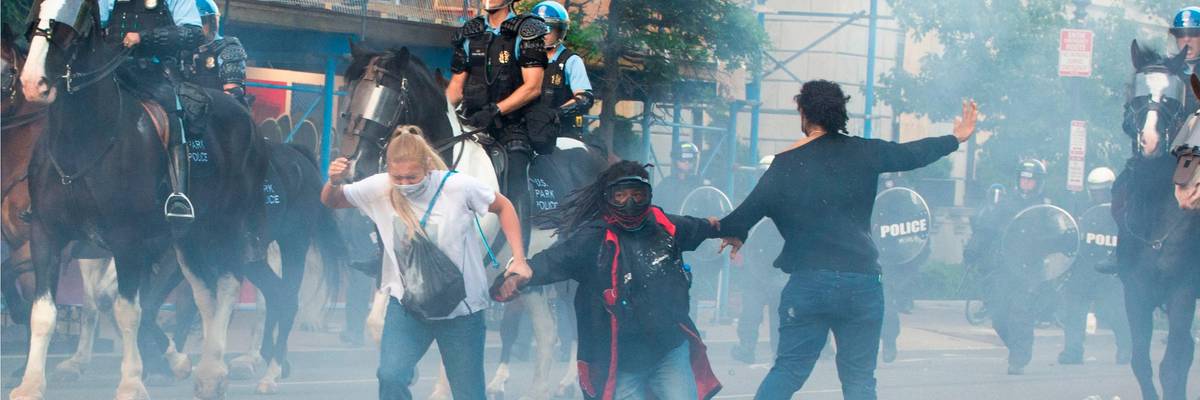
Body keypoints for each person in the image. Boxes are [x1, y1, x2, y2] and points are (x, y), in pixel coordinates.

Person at [716, 80, 978, 400]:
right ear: (840, 112)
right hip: (862, 283)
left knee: (788, 370)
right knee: (859, 380)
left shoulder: (785, 164)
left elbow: (743, 215)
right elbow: (912, 153)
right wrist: (955, 138)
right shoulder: (865, 152)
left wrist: (725, 232)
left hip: (810, 283)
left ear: (804, 113)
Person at [321, 126, 532, 400]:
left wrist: (519, 259)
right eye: (398, 177)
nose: (405, 184)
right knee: (390, 375)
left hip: (461, 310)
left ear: (429, 166)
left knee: (468, 394)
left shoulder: (458, 186)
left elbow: (503, 206)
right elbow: (333, 201)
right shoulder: (380, 187)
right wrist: (333, 181)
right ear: (388, 170)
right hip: (408, 307)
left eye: (412, 177)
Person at [492, 161, 724, 400]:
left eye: (637, 195)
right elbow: (551, 260)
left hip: (669, 349)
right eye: (621, 196)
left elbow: (702, 226)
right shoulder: (592, 239)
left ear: (648, 195)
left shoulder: (666, 225)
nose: (630, 203)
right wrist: (515, 277)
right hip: (622, 360)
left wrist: (724, 229)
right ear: (608, 199)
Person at [446, 0, 550, 238]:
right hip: (472, 123)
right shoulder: (469, 32)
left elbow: (533, 87)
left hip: (513, 125)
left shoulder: (528, 30)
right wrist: (442, 110)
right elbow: (455, 88)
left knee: (514, 169)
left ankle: (519, 254)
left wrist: (495, 110)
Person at [101, 0, 204, 222]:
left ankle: (178, 195)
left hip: (153, 71)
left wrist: (144, 38)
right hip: (108, 69)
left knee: (171, 109)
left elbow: (193, 33)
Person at [962, 159, 1053, 375]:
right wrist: (972, 250)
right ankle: (1016, 348)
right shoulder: (1005, 203)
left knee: (1020, 313)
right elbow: (985, 230)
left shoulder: (1046, 208)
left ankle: (1019, 357)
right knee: (999, 315)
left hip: (1030, 268)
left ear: (1038, 183)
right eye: (1023, 179)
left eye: (1030, 181)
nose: (1026, 184)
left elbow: (1058, 236)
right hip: (1004, 266)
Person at [1057, 167, 1131, 365]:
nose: (1098, 195)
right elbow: (1071, 236)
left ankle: (1126, 348)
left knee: (1115, 311)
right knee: (1074, 310)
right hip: (1083, 268)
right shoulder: (1081, 210)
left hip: (1109, 271)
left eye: (1102, 190)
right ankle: (1073, 350)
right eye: (1094, 190)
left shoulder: (1123, 212)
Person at [730, 155, 786, 365]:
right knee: (750, 313)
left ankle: (779, 354)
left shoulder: (789, 204)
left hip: (779, 268)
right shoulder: (749, 202)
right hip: (754, 269)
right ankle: (746, 348)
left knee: (779, 316)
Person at [531, 0, 597, 147]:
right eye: (538, 27)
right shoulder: (524, 59)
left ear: (560, 31)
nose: (543, 33)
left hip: (561, 133)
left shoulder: (571, 60)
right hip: (527, 128)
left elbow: (584, 99)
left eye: (548, 28)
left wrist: (555, 115)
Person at [186, 0, 249, 106]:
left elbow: (233, 92)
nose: (200, 27)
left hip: (219, 109)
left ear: (213, 22)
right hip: (190, 105)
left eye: (203, 22)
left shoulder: (228, 48)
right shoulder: (184, 52)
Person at [654, 142, 703, 214]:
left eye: (690, 160)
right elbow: (655, 207)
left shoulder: (700, 185)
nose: (687, 163)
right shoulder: (666, 184)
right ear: (675, 161)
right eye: (682, 160)